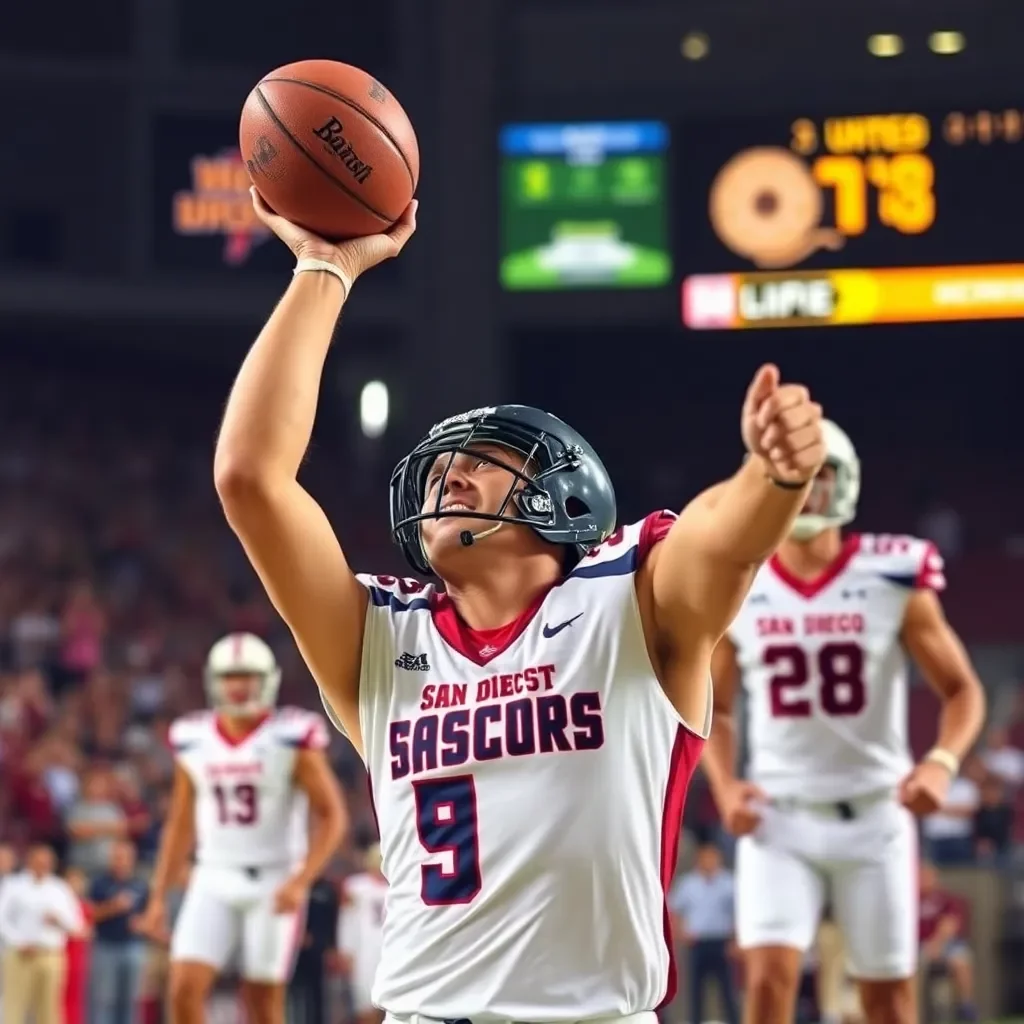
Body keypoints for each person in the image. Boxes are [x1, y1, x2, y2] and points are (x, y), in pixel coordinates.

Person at [211, 188, 827, 1022]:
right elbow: (250, 479)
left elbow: (724, 538)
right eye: (438, 466)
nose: (448, 475)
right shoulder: (381, 634)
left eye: (485, 459)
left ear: (565, 495)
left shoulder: (629, 597)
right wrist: (325, 266)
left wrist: (773, 475)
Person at [703, 419, 987, 1024]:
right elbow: (714, 706)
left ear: (845, 482)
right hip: (778, 816)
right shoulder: (739, 582)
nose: (807, 491)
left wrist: (940, 764)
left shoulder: (892, 575)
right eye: (795, 478)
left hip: (877, 814)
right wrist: (725, 787)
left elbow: (962, 689)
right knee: (768, 983)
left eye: (819, 476)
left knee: (889, 999)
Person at [136, 632, 348, 1024]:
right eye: (231, 676)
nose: (239, 686)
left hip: (274, 878)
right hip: (212, 875)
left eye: (248, 676)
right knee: (183, 987)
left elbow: (332, 815)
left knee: (262, 1002)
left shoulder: (291, 736)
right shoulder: (193, 737)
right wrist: (157, 897)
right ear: (214, 680)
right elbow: (180, 823)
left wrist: (301, 880)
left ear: (267, 678)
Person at [0, 843, 85, 1024]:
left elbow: (77, 925)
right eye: (39, 861)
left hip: (50, 954)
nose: (43, 865)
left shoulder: (60, 889)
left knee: (49, 1011)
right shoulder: (14, 885)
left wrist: (59, 920)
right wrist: (18, 941)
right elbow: (2, 918)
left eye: (46, 862)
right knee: (14, 1008)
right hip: (19, 955)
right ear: (29, 861)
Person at [668, 841, 738, 1024]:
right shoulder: (688, 884)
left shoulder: (729, 882)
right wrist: (681, 933)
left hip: (722, 941)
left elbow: (739, 912)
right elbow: (675, 910)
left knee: (728, 990)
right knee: (695, 991)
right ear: (699, 860)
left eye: (713, 857)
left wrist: (735, 939)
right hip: (697, 943)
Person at [89, 839, 149, 1024]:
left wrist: (141, 923)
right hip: (105, 946)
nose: (120, 861)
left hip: (133, 946)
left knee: (130, 1000)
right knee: (105, 1000)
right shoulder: (99, 883)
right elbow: (90, 914)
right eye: (117, 857)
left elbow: (150, 917)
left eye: (124, 858)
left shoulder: (141, 884)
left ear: (132, 859)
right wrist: (114, 906)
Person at [338, 845, 388, 1024]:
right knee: (365, 1006)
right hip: (364, 951)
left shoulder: (397, 887)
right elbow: (347, 919)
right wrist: (345, 949)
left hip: (389, 950)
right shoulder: (356, 886)